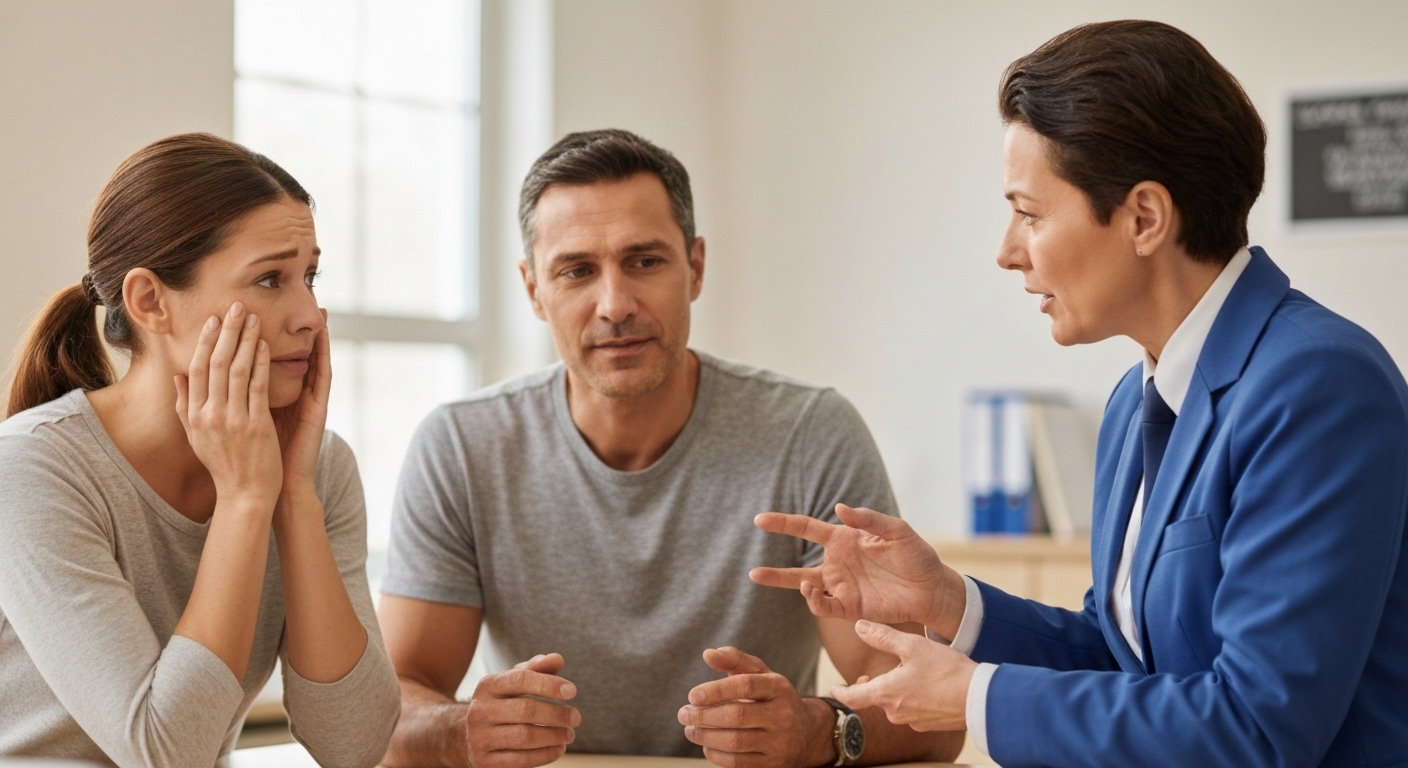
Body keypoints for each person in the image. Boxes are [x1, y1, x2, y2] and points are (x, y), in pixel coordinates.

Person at [752, 20, 1408, 768]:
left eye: (1029, 214)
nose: (1007, 252)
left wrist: (974, 698)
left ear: (1144, 218)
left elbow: (1256, 728)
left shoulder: (1319, 385)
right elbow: (1123, 663)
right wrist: (951, 602)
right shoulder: (1136, 403)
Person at [376, 129, 962, 767]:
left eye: (644, 262)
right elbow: (393, 705)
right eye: (577, 271)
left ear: (696, 267)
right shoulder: (461, 447)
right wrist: (460, 731)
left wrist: (815, 731)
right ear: (534, 290)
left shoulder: (811, 434)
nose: (614, 305)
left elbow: (932, 712)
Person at [0, 134, 400, 767]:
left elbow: (353, 747)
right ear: (150, 302)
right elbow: (165, 754)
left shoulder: (320, 467)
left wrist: (294, 497)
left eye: (309, 277)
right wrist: (245, 499)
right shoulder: (31, 468)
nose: (309, 315)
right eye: (269, 279)